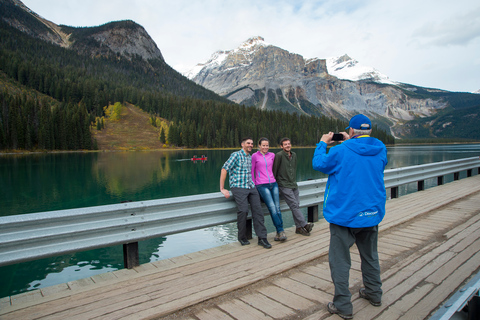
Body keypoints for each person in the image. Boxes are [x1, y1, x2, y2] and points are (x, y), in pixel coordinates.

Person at [312, 114, 387, 319]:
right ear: (369, 131)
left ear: (351, 131)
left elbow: (319, 164)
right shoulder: (380, 148)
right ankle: (374, 293)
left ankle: (343, 305)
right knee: (370, 256)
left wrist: (322, 143)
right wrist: (350, 141)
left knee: (340, 261)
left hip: (344, 215)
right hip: (371, 213)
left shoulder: (340, 150)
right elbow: (364, 159)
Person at [220, 137, 272, 249]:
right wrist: (222, 188)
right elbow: (224, 169)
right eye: (248, 143)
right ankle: (242, 237)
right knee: (243, 210)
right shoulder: (236, 155)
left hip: (251, 187)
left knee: (258, 211)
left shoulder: (250, 157)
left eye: (252, 143)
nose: (250, 145)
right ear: (242, 144)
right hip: (238, 187)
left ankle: (262, 238)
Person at [272, 137, 314, 236]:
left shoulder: (294, 155)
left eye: (289, 143)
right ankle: (304, 224)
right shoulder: (278, 156)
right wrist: (276, 184)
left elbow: (294, 169)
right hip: (284, 185)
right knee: (294, 205)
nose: (288, 145)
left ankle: (298, 228)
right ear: (281, 146)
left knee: (296, 205)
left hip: (293, 184)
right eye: (285, 144)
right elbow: (274, 171)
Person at [251, 138, 287, 242]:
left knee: (278, 208)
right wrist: (254, 185)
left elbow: (275, 169)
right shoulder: (254, 156)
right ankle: (280, 230)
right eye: (263, 145)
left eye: (267, 145)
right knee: (272, 208)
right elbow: (251, 171)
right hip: (262, 185)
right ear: (259, 146)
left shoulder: (272, 155)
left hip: (273, 184)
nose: (265, 147)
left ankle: (279, 233)